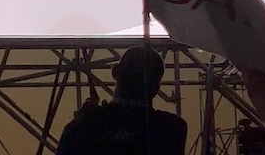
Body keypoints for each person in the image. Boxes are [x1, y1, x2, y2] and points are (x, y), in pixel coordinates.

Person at [56, 46, 187, 154]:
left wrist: (78, 123)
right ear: (156, 88)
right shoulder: (172, 128)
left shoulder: (88, 124)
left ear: (116, 72)